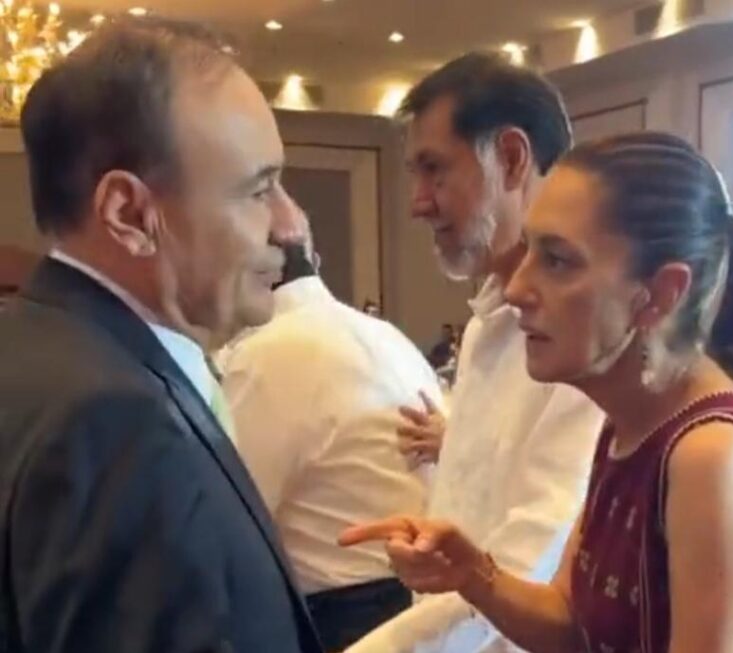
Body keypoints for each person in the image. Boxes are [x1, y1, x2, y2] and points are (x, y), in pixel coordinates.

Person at [343, 132, 733, 653]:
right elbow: (572, 625)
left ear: (659, 294)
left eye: (557, 261)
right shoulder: (629, 426)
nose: (517, 289)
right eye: (529, 251)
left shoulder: (710, 454)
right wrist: (473, 573)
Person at [0, 19, 320, 652]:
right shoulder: (114, 423)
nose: (289, 225)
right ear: (128, 214)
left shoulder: (36, 352)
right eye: (260, 190)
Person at [345, 53, 606, 653]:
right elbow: (481, 517)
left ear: (511, 158)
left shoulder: (585, 333)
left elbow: (531, 556)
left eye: (435, 170)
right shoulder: (489, 322)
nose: (418, 202)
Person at [216, 237, 443, 651]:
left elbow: (232, 522)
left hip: (346, 619)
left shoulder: (269, 354)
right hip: (413, 605)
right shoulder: (385, 335)